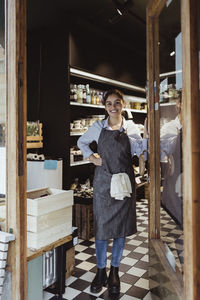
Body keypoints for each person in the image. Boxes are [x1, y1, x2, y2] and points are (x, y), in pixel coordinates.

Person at [77, 89, 146, 295]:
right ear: (105, 106)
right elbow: (81, 142)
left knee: (121, 229)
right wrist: (92, 157)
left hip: (124, 183)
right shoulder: (98, 126)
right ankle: (100, 271)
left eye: (117, 103)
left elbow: (138, 150)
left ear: (123, 104)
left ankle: (114, 271)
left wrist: (145, 142)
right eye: (109, 104)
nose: (113, 107)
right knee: (101, 228)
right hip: (104, 184)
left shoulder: (130, 127)